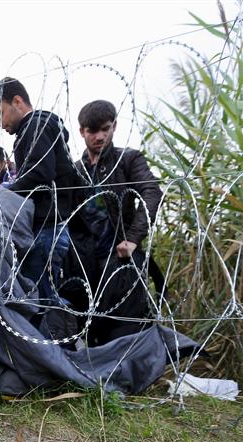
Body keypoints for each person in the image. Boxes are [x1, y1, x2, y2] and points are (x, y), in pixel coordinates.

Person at [0, 77, 82, 308]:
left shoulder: (36, 126)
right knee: (41, 297)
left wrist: (3, 193)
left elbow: (39, 174)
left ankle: (61, 329)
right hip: (48, 226)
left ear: (17, 102)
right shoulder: (36, 128)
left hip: (46, 227)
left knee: (38, 303)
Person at [75, 100, 163, 343]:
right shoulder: (76, 171)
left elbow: (151, 192)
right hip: (86, 265)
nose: (100, 137)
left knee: (127, 330)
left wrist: (133, 239)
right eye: (93, 131)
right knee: (94, 333)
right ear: (82, 131)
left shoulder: (128, 160)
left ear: (114, 126)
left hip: (121, 260)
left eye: (105, 129)